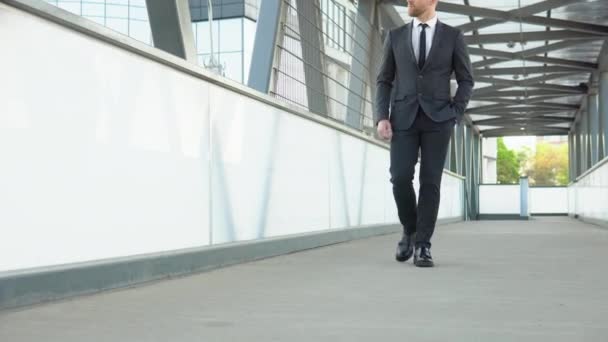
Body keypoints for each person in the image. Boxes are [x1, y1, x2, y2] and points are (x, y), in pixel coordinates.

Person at [375, 0, 474, 267]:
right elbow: (384, 79)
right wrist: (381, 116)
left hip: (439, 120)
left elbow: (466, 79)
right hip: (403, 118)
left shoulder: (453, 37)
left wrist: (455, 112)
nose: (409, 1)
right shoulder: (395, 36)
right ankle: (410, 229)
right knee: (400, 177)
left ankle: (423, 246)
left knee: (430, 182)